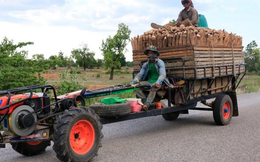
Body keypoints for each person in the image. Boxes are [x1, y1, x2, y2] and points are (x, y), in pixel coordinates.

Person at [130, 46, 166, 111]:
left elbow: (162, 75)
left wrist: (157, 82)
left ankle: (146, 105)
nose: (150, 54)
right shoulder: (146, 64)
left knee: (154, 88)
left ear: (155, 54)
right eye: (148, 53)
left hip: (158, 82)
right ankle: (144, 101)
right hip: (149, 82)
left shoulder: (160, 62)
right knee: (135, 86)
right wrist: (132, 82)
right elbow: (140, 75)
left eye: (151, 53)